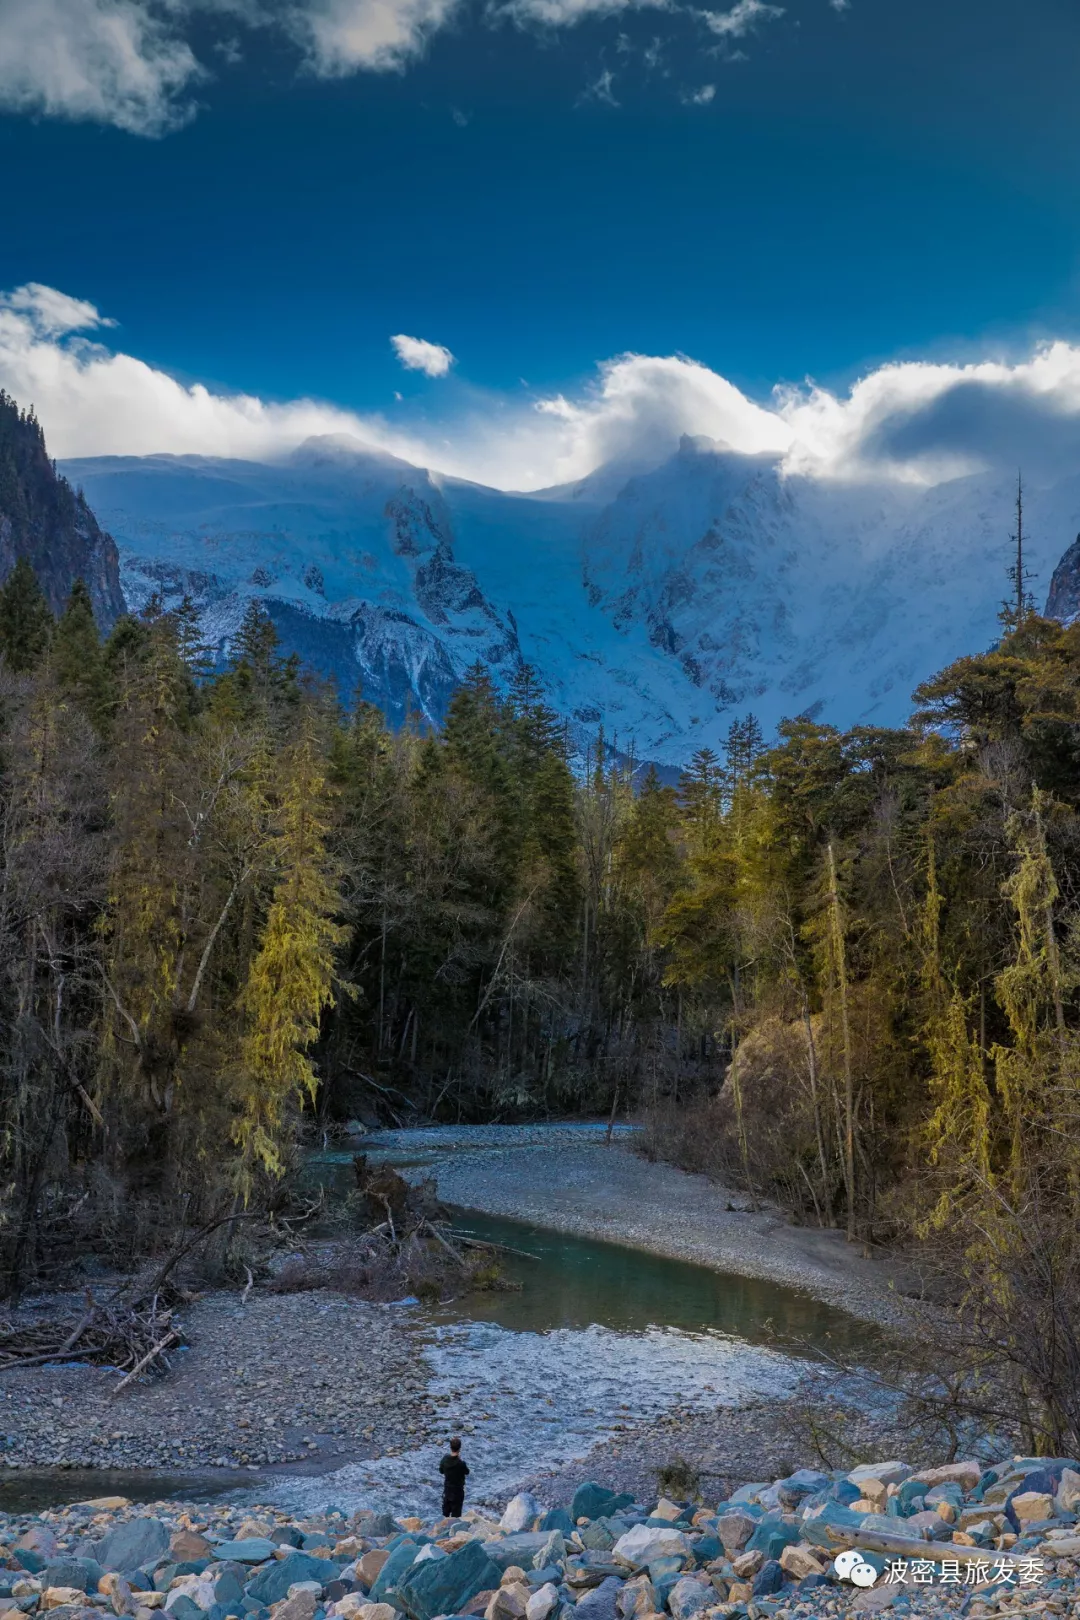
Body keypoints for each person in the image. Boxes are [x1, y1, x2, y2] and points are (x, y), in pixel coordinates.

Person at [439, 1436, 469, 1519]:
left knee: (445, 1514)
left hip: (447, 1490)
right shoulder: (461, 1463)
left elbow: (441, 1471)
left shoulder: (445, 1459)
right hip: (458, 1492)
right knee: (456, 1517)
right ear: (459, 1448)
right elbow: (467, 1472)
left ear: (450, 1447)